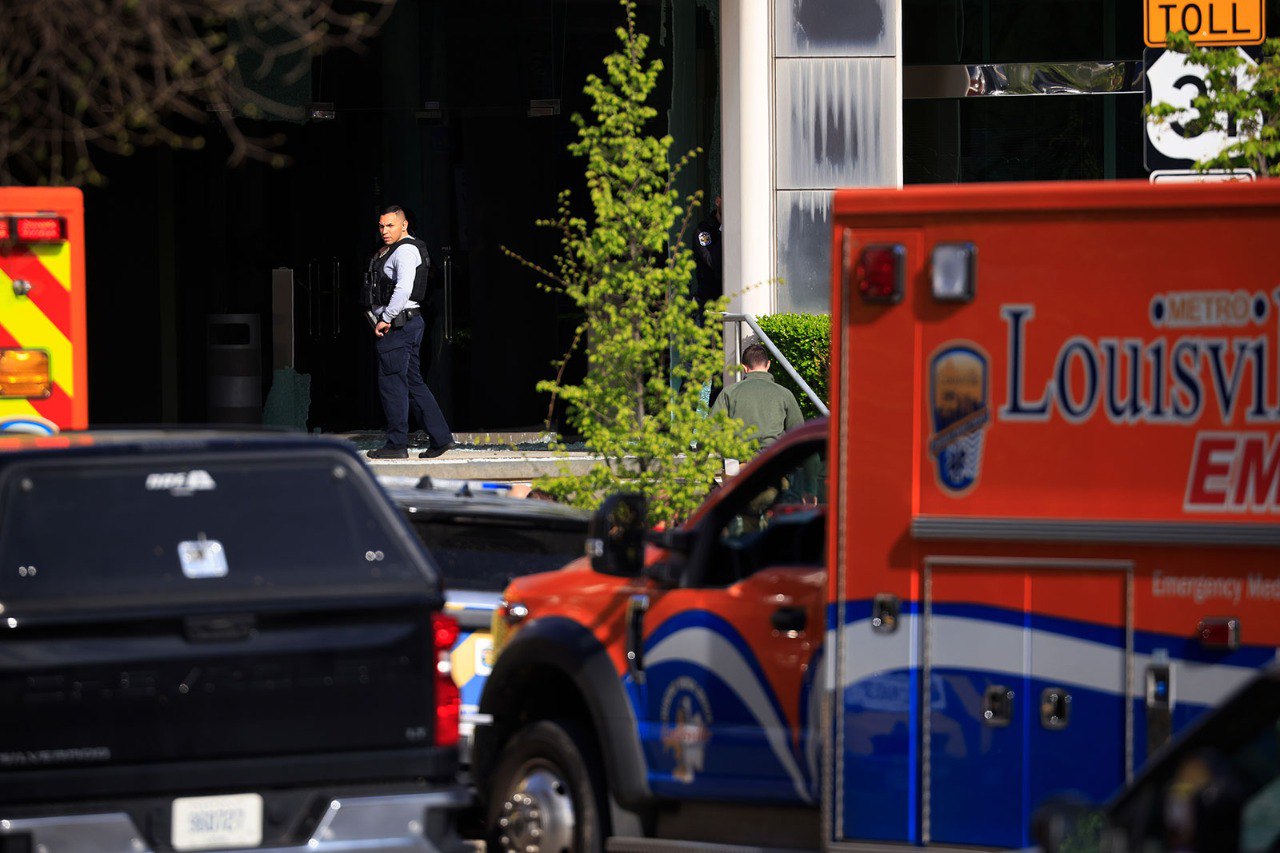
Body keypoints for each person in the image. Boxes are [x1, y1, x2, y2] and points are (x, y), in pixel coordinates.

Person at [366, 205, 455, 460]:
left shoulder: (404, 250)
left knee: (392, 385)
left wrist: (385, 318)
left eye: (391, 225)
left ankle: (396, 445)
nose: (384, 231)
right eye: (381, 226)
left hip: (399, 325)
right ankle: (440, 438)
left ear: (404, 225)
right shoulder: (398, 249)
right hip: (407, 324)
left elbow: (403, 289)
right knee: (414, 383)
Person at [710, 342, 803, 453]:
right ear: (768, 364)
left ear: (744, 367)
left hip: (740, 461)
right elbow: (799, 434)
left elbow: (711, 431)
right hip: (774, 460)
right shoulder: (784, 393)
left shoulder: (729, 393)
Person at [692, 195, 722, 308]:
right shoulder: (704, 231)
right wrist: (724, 229)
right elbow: (712, 262)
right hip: (709, 302)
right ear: (718, 201)